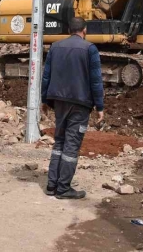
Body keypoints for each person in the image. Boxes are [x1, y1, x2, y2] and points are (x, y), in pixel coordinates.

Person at [41, 17, 104, 199]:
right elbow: (96, 80)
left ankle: (52, 185)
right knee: (71, 145)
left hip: (58, 101)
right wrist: (100, 106)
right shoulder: (90, 49)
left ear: (70, 29)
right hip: (80, 103)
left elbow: (47, 75)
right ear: (84, 30)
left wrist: (44, 100)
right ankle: (63, 188)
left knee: (59, 141)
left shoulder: (55, 47)